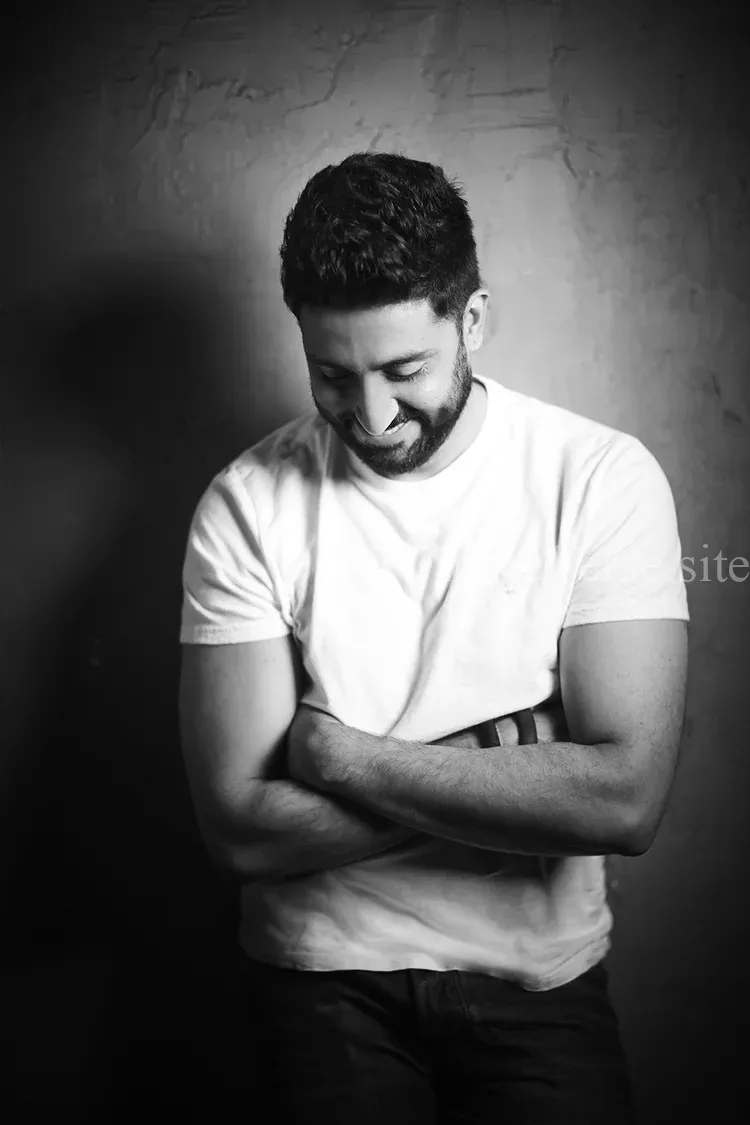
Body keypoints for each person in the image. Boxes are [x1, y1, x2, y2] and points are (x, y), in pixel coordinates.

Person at [177, 152, 688, 1124]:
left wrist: (341, 757)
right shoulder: (246, 505)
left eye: (404, 370)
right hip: (321, 973)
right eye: (333, 375)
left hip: (539, 976)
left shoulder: (600, 480)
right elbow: (239, 832)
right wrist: (516, 758)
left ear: (473, 321)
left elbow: (625, 801)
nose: (371, 416)